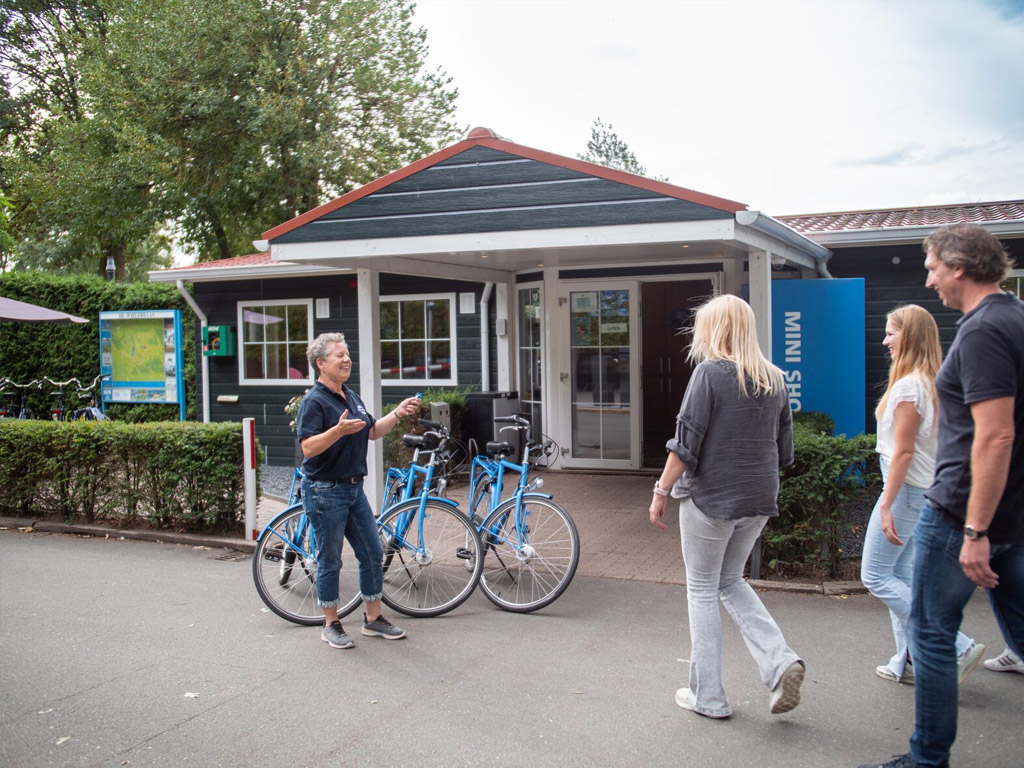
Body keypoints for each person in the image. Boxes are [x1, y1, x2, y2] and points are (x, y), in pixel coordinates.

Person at [859, 223, 1024, 768]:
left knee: (931, 632)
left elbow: (996, 435)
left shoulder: (982, 331)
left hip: (959, 511)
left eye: (932, 268)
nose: (929, 281)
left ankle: (926, 760)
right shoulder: (1015, 318)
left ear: (958, 266)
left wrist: (975, 529)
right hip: (1008, 512)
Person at [649, 294, 803, 719]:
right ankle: (780, 661)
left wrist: (661, 491)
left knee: (701, 589)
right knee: (731, 581)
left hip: (712, 498)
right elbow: (785, 451)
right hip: (759, 499)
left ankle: (710, 697)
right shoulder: (775, 378)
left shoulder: (709, 373)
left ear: (713, 329)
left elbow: (685, 443)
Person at [860, 305, 984, 686]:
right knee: (900, 575)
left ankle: (957, 644)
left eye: (891, 333)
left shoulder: (908, 387)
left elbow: (903, 452)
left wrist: (886, 503)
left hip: (905, 491)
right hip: (920, 491)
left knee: (875, 576)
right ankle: (909, 660)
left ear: (909, 336)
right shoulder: (933, 383)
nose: (885, 341)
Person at [296, 332, 421, 649]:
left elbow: (372, 431)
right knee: (330, 559)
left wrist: (398, 412)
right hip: (324, 490)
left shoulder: (350, 396)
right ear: (321, 363)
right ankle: (331, 624)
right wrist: (336, 431)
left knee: (372, 552)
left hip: (354, 489)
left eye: (347, 354)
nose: (346, 359)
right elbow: (308, 447)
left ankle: (373, 619)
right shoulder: (314, 401)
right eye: (339, 355)